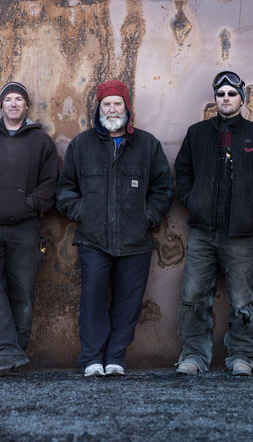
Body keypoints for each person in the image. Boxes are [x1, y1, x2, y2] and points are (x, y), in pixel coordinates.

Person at [56, 80, 173, 377]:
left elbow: (163, 188)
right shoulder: (81, 145)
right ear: (98, 109)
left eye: (117, 103)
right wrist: (83, 213)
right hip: (93, 239)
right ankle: (93, 359)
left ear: (126, 108)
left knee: (128, 302)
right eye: (106, 104)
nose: (112, 109)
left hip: (135, 239)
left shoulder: (147, 145)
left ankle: (116, 358)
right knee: (93, 300)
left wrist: (148, 217)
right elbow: (65, 189)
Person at [174, 71, 253, 376]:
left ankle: (241, 356)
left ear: (241, 99)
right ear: (215, 99)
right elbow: (182, 172)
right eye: (220, 94)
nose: (225, 99)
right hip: (203, 233)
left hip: (242, 235)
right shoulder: (197, 134)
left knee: (241, 299)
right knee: (194, 295)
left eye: (232, 94)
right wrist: (193, 201)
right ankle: (194, 355)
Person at [0, 82, 59, 377]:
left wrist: (29, 205)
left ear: (27, 106)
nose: (14, 103)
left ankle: (13, 353)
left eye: (19, 99)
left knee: (23, 292)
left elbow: (50, 183)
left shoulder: (41, 142)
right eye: (8, 99)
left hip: (26, 228)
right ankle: (7, 351)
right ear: (1, 106)